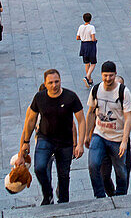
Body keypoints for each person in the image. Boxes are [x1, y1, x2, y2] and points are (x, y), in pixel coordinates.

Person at [20, 68, 85, 205]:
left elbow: (80, 120)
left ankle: (63, 201)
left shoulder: (70, 97)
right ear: (45, 83)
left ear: (60, 80)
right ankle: (47, 193)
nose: (54, 85)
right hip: (45, 138)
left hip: (65, 142)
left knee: (64, 175)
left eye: (57, 82)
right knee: (39, 167)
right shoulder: (39, 98)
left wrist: (79, 144)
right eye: (50, 83)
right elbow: (30, 120)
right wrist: (25, 142)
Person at [85, 61, 131, 198]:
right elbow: (90, 113)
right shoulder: (96, 90)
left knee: (121, 171)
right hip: (99, 134)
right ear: (101, 75)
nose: (108, 79)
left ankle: (121, 195)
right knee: (93, 165)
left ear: (115, 74)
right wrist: (87, 135)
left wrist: (124, 140)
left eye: (111, 75)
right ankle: (99, 195)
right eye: (105, 75)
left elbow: (128, 117)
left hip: (117, 137)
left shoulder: (123, 92)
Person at [77, 13, 97, 87]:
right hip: (90, 45)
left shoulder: (81, 27)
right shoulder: (91, 27)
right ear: (90, 19)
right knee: (93, 63)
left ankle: (90, 79)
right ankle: (87, 76)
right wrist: (95, 40)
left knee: (86, 63)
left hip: (83, 45)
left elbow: (77, 37)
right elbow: (93, 38)